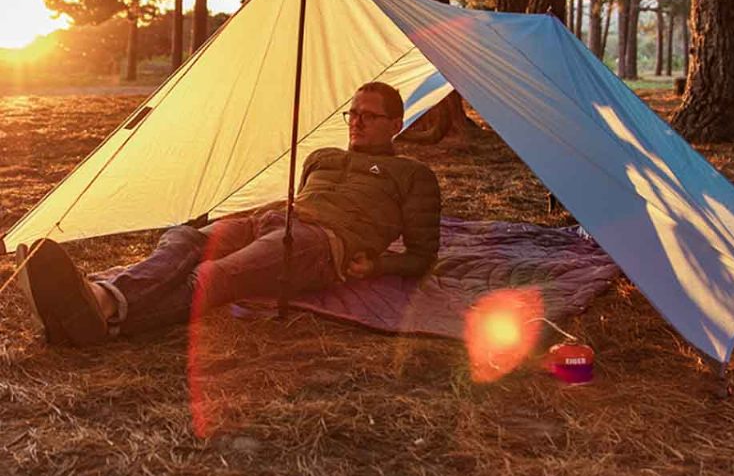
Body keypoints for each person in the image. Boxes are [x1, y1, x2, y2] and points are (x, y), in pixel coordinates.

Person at [17, 82, 441, 347]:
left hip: (322, 244)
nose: (356, 122)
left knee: (219, 274)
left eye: (369, 116)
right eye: (352, 113)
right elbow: (300, 199)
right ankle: (99, 306)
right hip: (273, 219)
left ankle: (102, 301)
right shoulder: (321, 156)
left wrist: (378, 264)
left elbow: (423, 254)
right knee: (183, 238)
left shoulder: (413, 175)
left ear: (396, 124)